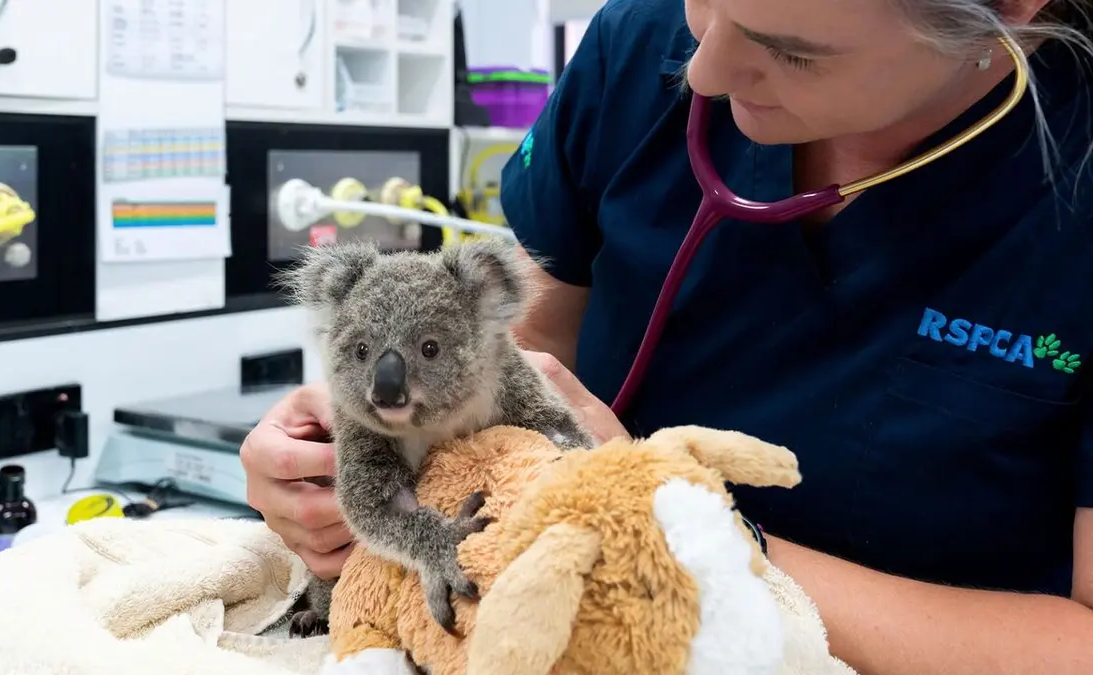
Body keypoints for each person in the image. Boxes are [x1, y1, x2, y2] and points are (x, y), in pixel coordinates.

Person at [242, 0, 1093, 671]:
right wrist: (363, 452)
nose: (705, 68)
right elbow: (518, 364)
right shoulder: (633, 49)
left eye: (793, 49)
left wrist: (688, 530)